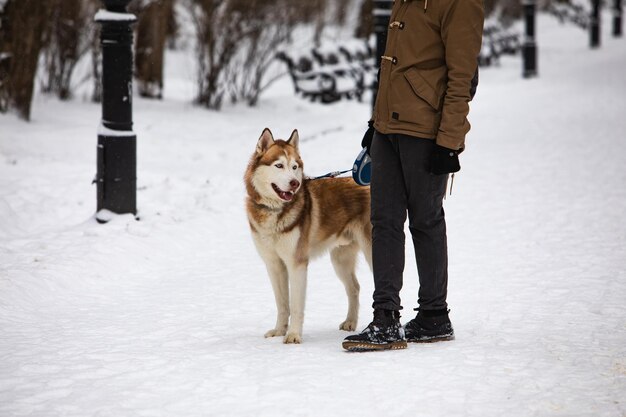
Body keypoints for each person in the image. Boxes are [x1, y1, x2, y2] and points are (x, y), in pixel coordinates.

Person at [342, 0, 484, 351]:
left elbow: (462, 77)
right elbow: (393, 70)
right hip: (389, 129)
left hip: (427, 131)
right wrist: (376, 125)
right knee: (383, 220)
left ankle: (434, 315)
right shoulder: (405, 2)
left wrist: (449, 141)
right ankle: (385, 319)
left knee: (425, 220)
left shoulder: (460, 4)